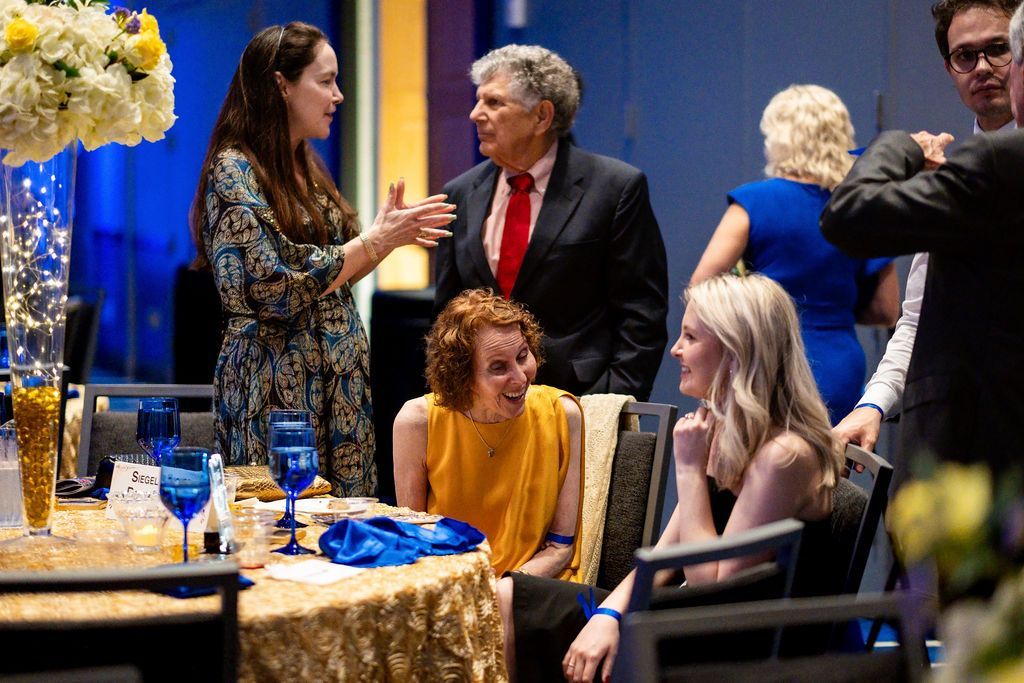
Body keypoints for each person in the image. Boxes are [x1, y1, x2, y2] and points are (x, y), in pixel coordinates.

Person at [500, 274, 844, 682]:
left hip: (732, 645)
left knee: (518, 610)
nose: (675, 349)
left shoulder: (783, 456)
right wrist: (609, 615)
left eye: (691, 337)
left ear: (735, 350)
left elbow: (712, 588)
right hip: (690, 617)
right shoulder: (726, 427)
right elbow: (664, 555)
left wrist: (689, 470)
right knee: (507, 595)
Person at [189, 22, 455, 495]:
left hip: (338, 380)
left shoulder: (303, 162)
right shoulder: (234, 168)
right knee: (281, 520)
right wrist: (373, 241)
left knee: (342, 523)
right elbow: (275, 286)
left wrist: (387, 238)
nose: (338, 95)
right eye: (326, 81)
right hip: (277, 383)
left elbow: (337, 271)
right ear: (281, 85)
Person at [820, 0, 1024, 472]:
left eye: (998, 49)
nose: (983, 68)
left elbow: (848, 216)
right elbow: (917, 317)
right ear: (949, 68)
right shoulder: (966, 172)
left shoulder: (989, 167)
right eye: (965, 56)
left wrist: (900, 147)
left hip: (987, 450)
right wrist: (873, 404)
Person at [434, 44, 668, 401]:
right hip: (482, 407)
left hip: (581, 400)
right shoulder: (460, 193)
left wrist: (611, 405)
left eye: (494, 102)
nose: (475, 114)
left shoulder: (615, 188)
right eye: (479, 100)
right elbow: (447, 316)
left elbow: (642, 316)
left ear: (542, 116)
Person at [690, 85, 899, 424]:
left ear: (779, 139)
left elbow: (701, 290)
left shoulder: (754, 202)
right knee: (837, 456)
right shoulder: (862, 206)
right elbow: (887, 310)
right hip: (840, 364)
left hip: (771, 363)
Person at [393, 288, 584, 579]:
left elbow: (560, 548)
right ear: (463, 376)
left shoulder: (563, 413)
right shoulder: (417, 422)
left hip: (534, 584)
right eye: (498, 367)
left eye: (523, 356)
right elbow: (413, 542)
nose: (520, 377)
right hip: (448, 583)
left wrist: (502, 589)